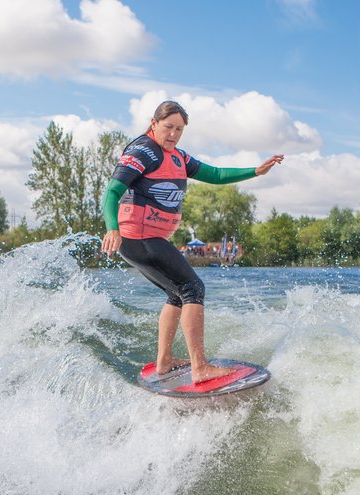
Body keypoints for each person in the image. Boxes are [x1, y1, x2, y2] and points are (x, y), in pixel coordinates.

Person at [100, 100, 284, 383]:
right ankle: (200, 367)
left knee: (177, 293)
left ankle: (164, 362)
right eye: (168, 127)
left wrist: (255, 172)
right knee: (193, 287)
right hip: (138, 236)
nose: (173, 134)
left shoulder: (178, 157)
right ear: (153, 124)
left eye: (179, 129)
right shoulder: (142, 151)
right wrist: (112, 228)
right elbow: (112, 192)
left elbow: (215, 174)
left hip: (148, 238)